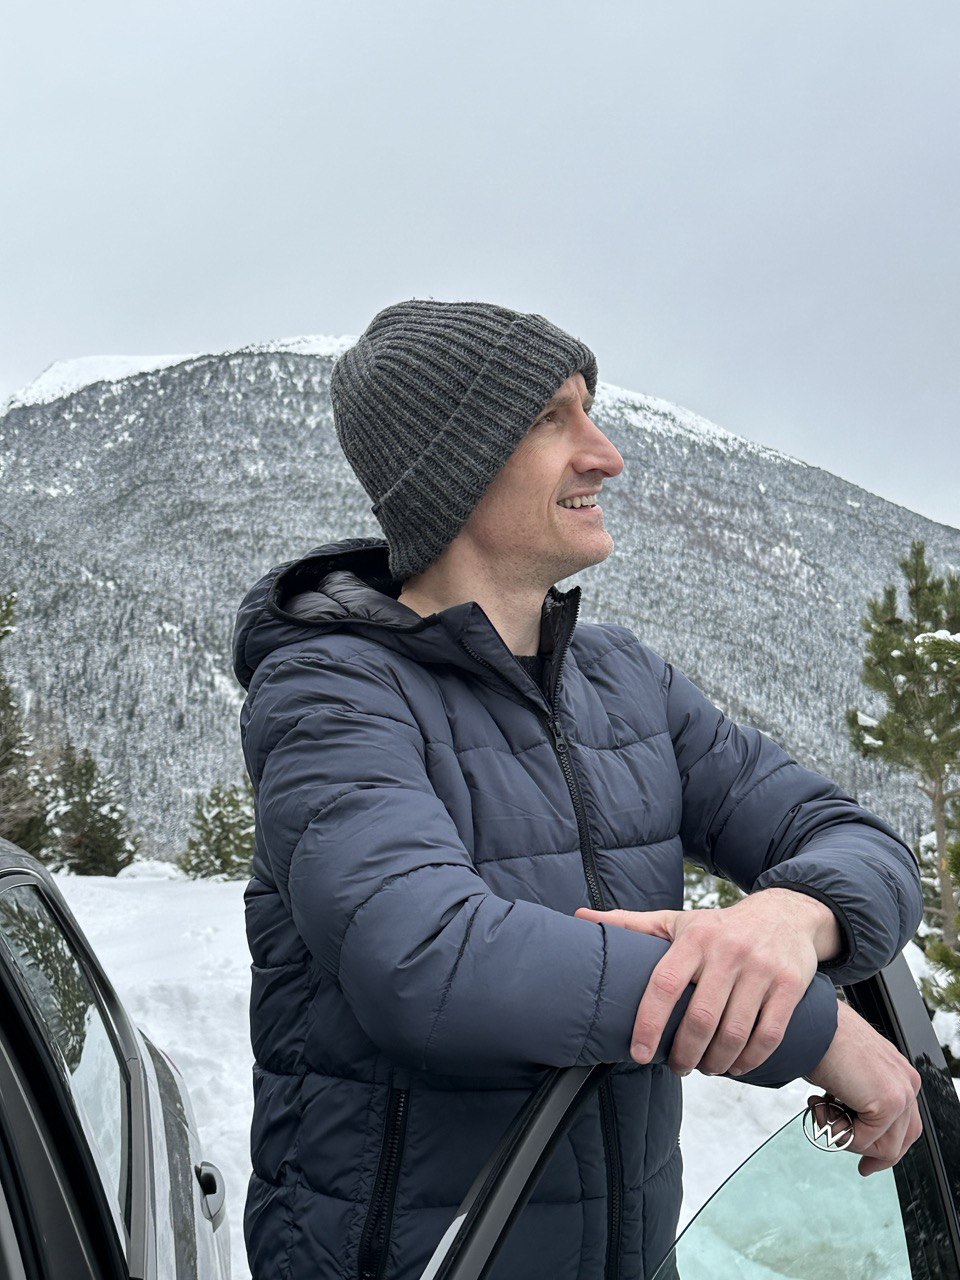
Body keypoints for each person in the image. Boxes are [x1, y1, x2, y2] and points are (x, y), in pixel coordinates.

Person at [231, 299, 924, 1280]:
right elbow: (425, 955)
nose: (604, 454)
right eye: (554, 418)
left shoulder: (625, 680)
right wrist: (804, 1023)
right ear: (454, 460)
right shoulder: (329, 689)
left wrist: (786, 921)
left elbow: (861, 841)